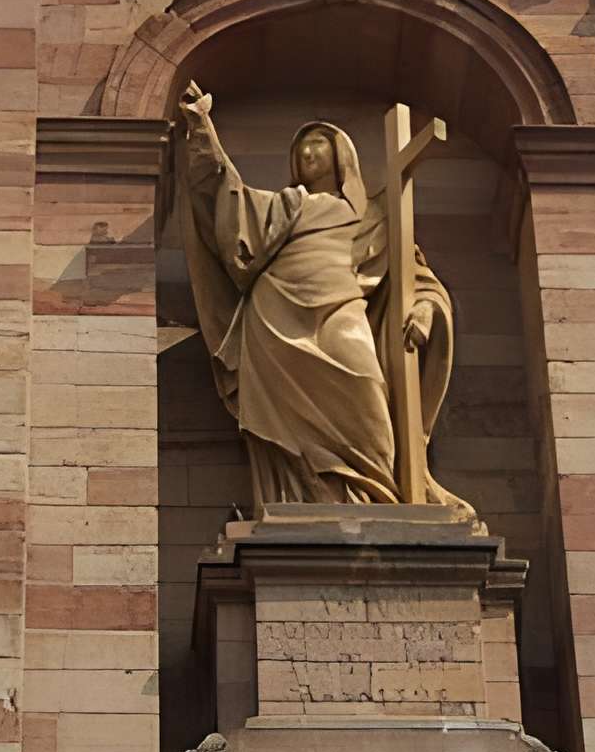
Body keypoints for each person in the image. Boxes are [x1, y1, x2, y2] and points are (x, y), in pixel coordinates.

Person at [175, 81, 467, 510]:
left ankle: (375, 498)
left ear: (341, 153)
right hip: (275, 319)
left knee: (368, 394)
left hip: (341, 312)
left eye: (317, 144)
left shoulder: (374, 215)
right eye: (302, 149)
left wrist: (424, 309)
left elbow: (416, 275)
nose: (308, 154)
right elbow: (229, 200)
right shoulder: (288, 204)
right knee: (291, 427)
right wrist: (202, 128)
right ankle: (305, 500)